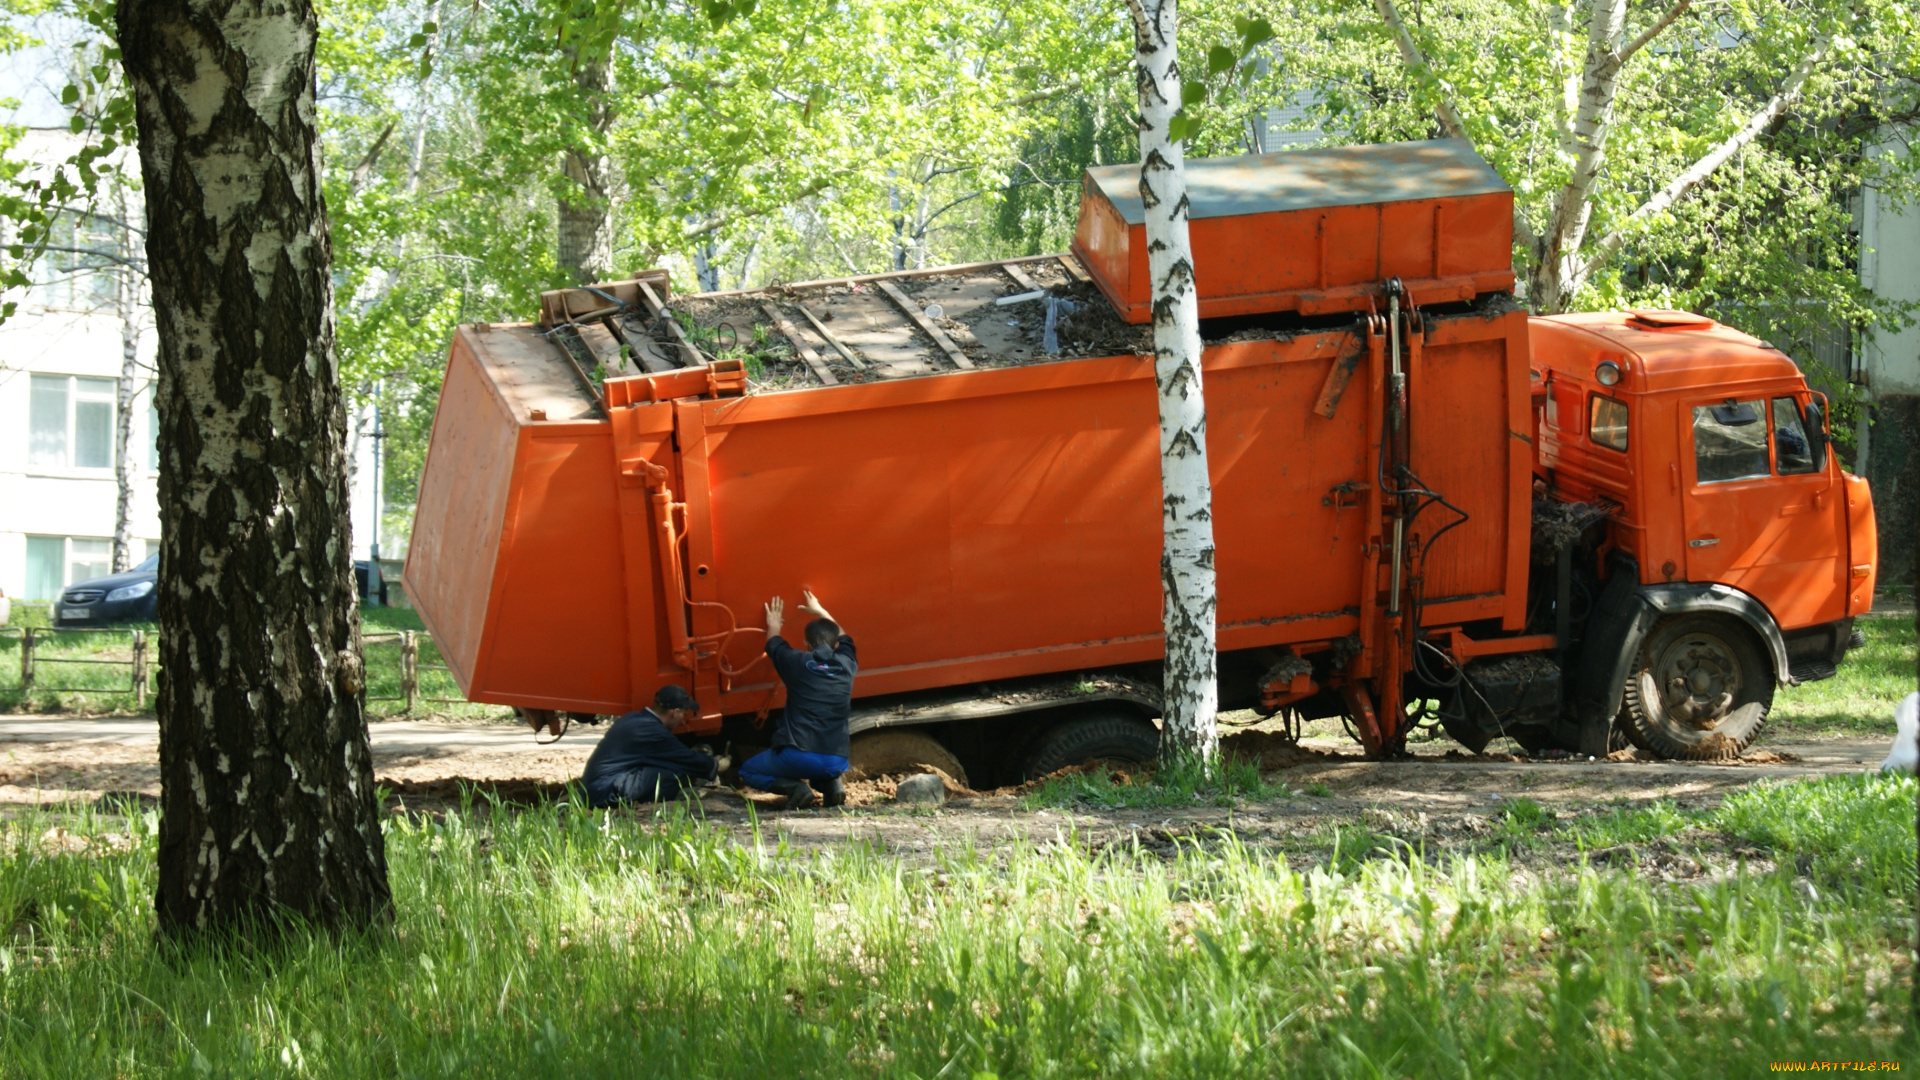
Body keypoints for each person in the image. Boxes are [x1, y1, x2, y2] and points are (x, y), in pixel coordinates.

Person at [741, 589, 856, 809]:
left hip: (798, 756)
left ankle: (796, 789)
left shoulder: (796, 662)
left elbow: (774, 643)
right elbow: (844, 637)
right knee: (823, 766)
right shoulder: (847, 664)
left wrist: (774, 624)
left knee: (748, 770)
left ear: (806, 643)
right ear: (836, 646)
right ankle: (832, 785)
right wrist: (820, 610)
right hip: (837, 760)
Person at [579, 685, 729, 808]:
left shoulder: (634, 718)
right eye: (684, 713)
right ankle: (646, 804)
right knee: (675, 772)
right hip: (603, 793)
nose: (683, 718)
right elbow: (685, 759)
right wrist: (716, 765)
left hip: (597, 787)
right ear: (675, 712)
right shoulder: (653, 731)